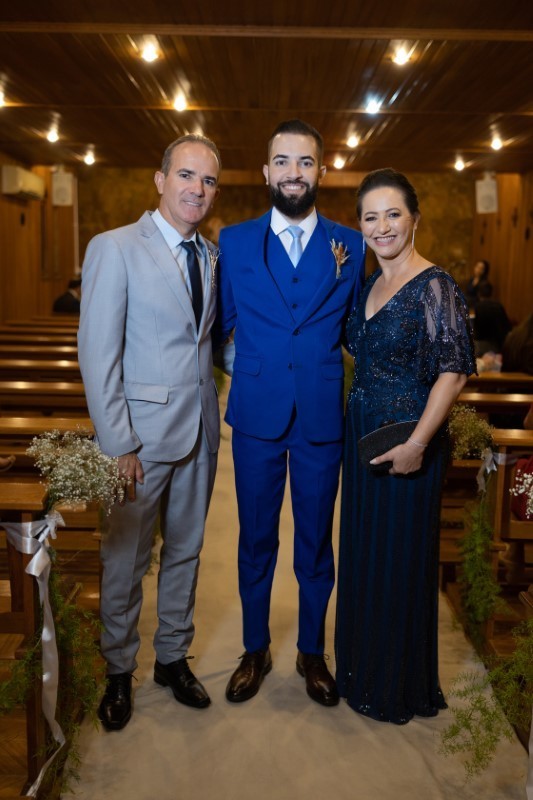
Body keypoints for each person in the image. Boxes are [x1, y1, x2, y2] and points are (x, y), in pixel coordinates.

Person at [214, 119, 365, 706]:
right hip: (257, 416)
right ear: (265, 171)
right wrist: (254, 369)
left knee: (315, 542)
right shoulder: (234, 241)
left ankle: (311, 650)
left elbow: (355, 327)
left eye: (305, 162)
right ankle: (255, 648)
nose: (293, 173)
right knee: (255, 539)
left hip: (321, 417)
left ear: (321, 171)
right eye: (283, 161)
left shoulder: (351, 245)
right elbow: (224, 323)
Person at [78, 134, 221, 731]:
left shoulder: (210, 254)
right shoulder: (115, 247)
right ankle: (118, 669)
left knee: (186, 552)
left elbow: (204, 342)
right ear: (161, 180)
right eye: (186, 175)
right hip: (138, 440)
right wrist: (119, 443)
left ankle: (171, 658)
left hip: (199, 433)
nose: (197, 189)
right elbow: (97, 353)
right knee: (126, 558)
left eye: (208, 180)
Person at [335, 168, 476, 724]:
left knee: (399, 559)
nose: (382, 226)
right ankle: (360, 672)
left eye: (393, 213)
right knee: (365, 552)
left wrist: (418, 443)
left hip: (408, 443)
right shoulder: (369, 283)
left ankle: (395, 684)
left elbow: (453, 373)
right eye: (371, 217)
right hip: (362, 438)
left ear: (415, 218)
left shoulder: (435, 285)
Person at [472, 282, 511, 356]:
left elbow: (478, 334)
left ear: (478, 293)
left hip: (488, 346)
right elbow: (507, 328)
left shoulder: (479, 307)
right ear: (491, 293)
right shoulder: (499, 305)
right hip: (502, 345)